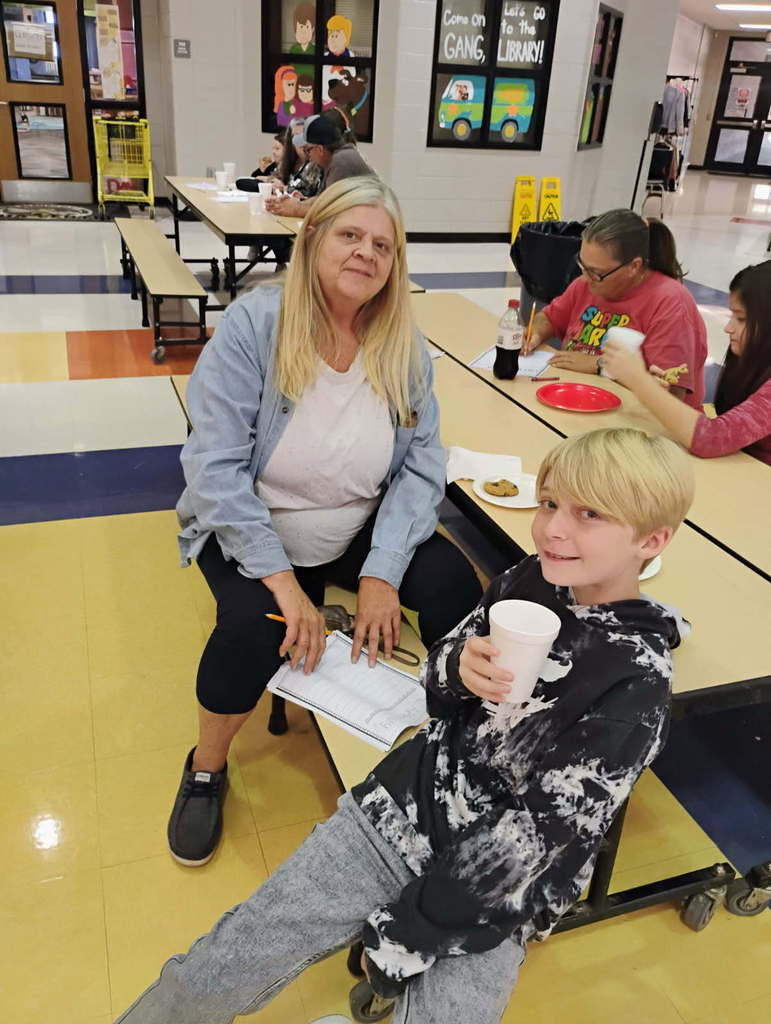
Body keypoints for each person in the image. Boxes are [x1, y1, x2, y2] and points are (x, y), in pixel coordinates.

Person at [114, 427, 694, 1024]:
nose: (552, 528)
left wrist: (405, 936)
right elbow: (437, 682)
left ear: (651, 540)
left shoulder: (637, 686)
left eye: (588, 514)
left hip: (494, 897)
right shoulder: (530, 580)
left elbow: (533, 842)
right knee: (218, 967)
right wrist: (456, 669)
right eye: (549, 503)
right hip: (402, 807)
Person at [166, 177, 482, 868]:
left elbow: (421, 467)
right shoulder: (255, 326)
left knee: (457, 586)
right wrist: (284, 585)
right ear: (311, 239)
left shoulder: (402, 346)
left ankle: (455, 740)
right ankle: (206, 767)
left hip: (357, 523)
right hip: (254, 527)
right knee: (254, 628)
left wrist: (381, 574)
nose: (366, 253)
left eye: (383, 246)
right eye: (350, 235)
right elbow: (214, 468)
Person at [523, 209, 707, 408]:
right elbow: (550, 318)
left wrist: (600, 365)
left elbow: (671, 394)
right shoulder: (587, 284)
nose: (585, 278)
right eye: (582, 266)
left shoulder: (672, 304)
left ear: (634, 266)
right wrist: (535, 333)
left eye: (596, 273)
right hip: (579, 398)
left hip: (642, 418)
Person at [602, 261, 771, 465]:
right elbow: (728, 429)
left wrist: (640, 381)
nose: (728, 328)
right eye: (732, 316)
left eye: (741, 319)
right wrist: (658, 394)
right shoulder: (751, 364)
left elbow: (711, 439)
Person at [265, 113, 373, 219]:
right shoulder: (335, 158)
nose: (309, 156)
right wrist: (300, 202)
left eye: (308, 150)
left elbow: (328, 207)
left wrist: (296, 208)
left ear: (320, 149)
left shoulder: (342, 161)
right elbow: (321, 199)